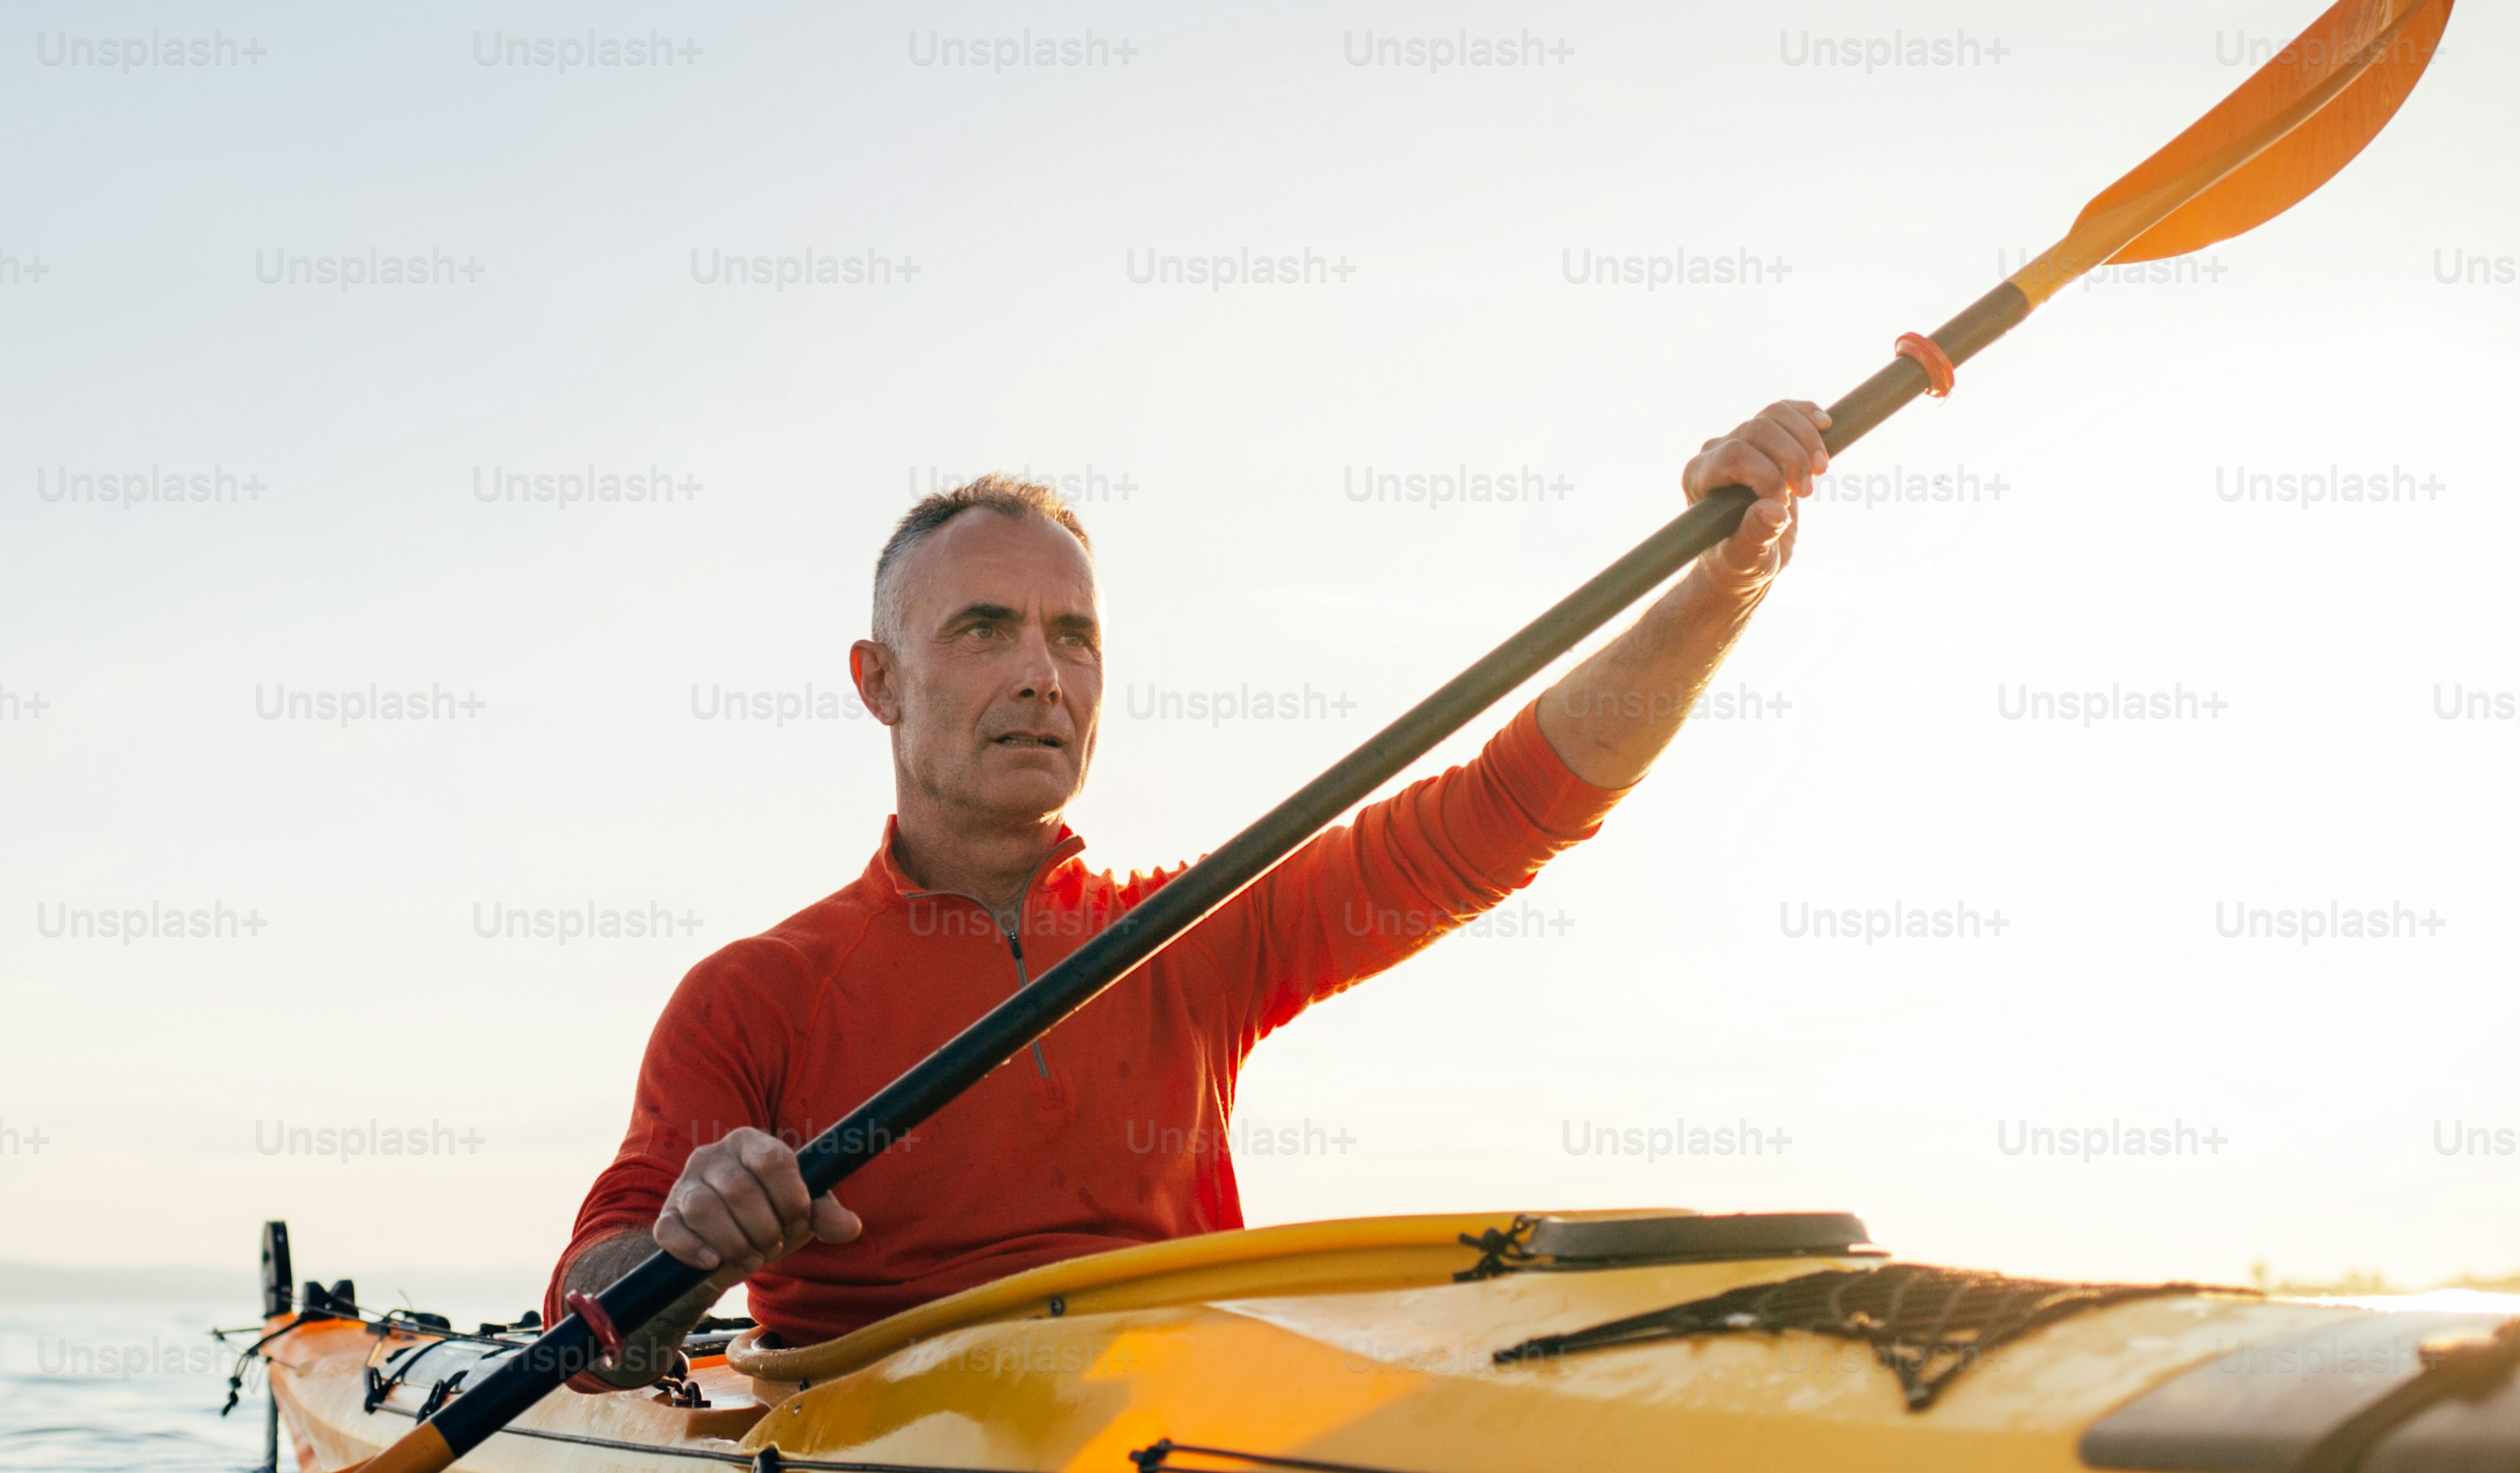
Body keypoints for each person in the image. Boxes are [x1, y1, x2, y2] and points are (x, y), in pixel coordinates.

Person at [545, 406, 1833, 1379]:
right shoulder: (754, 994)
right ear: (878, 681)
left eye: (1074, 637)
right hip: (872, 1456)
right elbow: (589, 1319)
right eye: (984, 630)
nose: (1042, 675)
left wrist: (1723, 578)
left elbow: (1508, 811)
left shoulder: (1191, 932)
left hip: (1170, 1427)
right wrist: (691, 1243)